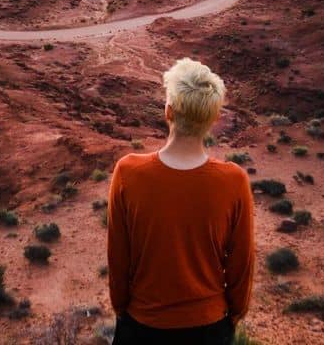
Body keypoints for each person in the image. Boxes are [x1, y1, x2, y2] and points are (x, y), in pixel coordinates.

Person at [107, 58, 255, 345]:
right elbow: (242, 265)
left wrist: (121, 307)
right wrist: (233, 315)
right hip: (209, 328)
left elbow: (118, 257)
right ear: (214, 119)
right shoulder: (234, 181)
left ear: (168, 112)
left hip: (143, 325)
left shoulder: (128, 173)